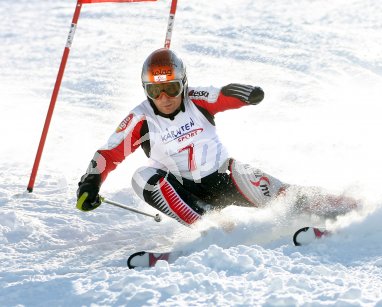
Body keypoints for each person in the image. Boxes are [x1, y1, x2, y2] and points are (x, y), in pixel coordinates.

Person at [76, 48, 357, 226]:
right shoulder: (140, 119)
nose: (164, 98)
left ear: (183, 83)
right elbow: (108, 154)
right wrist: (90, 183)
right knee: (141, 177)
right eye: (154, 91)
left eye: (172, 89)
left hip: (224, 175)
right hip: (183, 190)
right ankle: (212, 226)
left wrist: (246, 94)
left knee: (279, 193)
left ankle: (342, 206)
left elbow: (223, 95)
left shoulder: (195, 99)